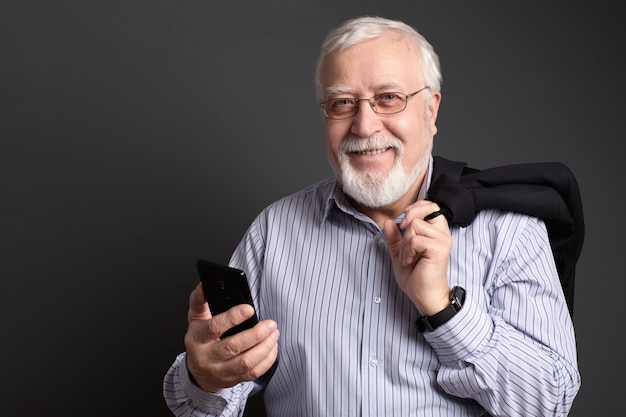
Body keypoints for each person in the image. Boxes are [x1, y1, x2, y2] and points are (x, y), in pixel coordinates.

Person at [163, 15, 581, 416]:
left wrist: (443, 308)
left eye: (388, 98)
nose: (364, 125)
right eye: (343, 103)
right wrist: (205, 376)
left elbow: (549, 404)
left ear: (430, 110)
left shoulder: (508, 229)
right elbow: (202, 407)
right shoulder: (274, 232)